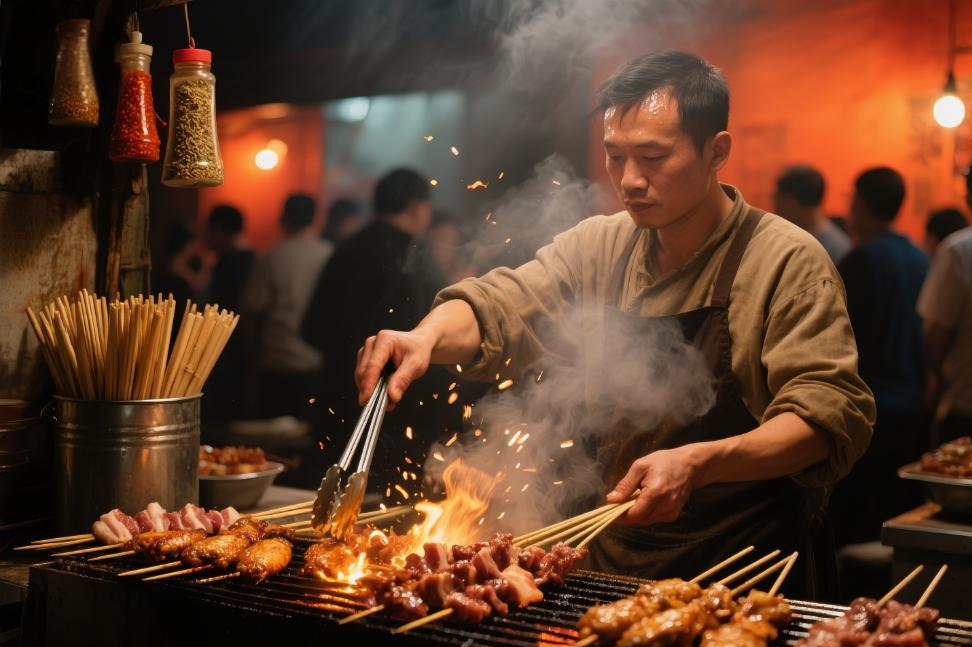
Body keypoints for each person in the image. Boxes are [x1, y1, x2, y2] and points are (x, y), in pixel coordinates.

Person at [353, 51, 875, 596]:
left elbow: (824, 415)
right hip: (612, 561)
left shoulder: (785, 261)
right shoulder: (602, 243)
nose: (630, 181)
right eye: (615, 156)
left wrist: (703, 461)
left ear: (716, 151)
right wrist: (426, 336)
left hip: (742, 568)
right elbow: (504, 304)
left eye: (652, 156)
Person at [303, 169, 441, 492]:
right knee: (384, 519)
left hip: (333, 403)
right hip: (395, 412)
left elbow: (311, 328)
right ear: (419, 208)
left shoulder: (344, 250)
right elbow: (433, 341)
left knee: (327, 508)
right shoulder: (416, 257)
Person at [831, 167, 930, 545]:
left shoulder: (861, 260)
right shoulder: (918, 256)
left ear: (860, 202)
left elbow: (841, 338)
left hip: (869, 408)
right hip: (911, 404)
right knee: (894, 526)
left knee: (856, 529)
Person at [918, 149, 972, 444]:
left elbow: (934, 335)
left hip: (967, 406)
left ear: (970, 194)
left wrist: (936, 376)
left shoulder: (961, 249)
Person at [242, 194, 332, 420]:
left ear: (284, 219)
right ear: (316, 219)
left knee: (268, 443)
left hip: (276, 360)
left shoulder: (272, 255)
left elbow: (253, 309)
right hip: (314, 361)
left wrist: (251, 358)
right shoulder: (330, 254)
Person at [203, 205, 255, 422]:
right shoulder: (252, 257)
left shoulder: (230, 262)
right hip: (240, 348)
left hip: (227, 345)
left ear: (219, 230)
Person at [773, 165, 853, 265]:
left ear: (790, 200)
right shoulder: (838, 244)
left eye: (777, 195)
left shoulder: (834, 248)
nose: (773, 200)